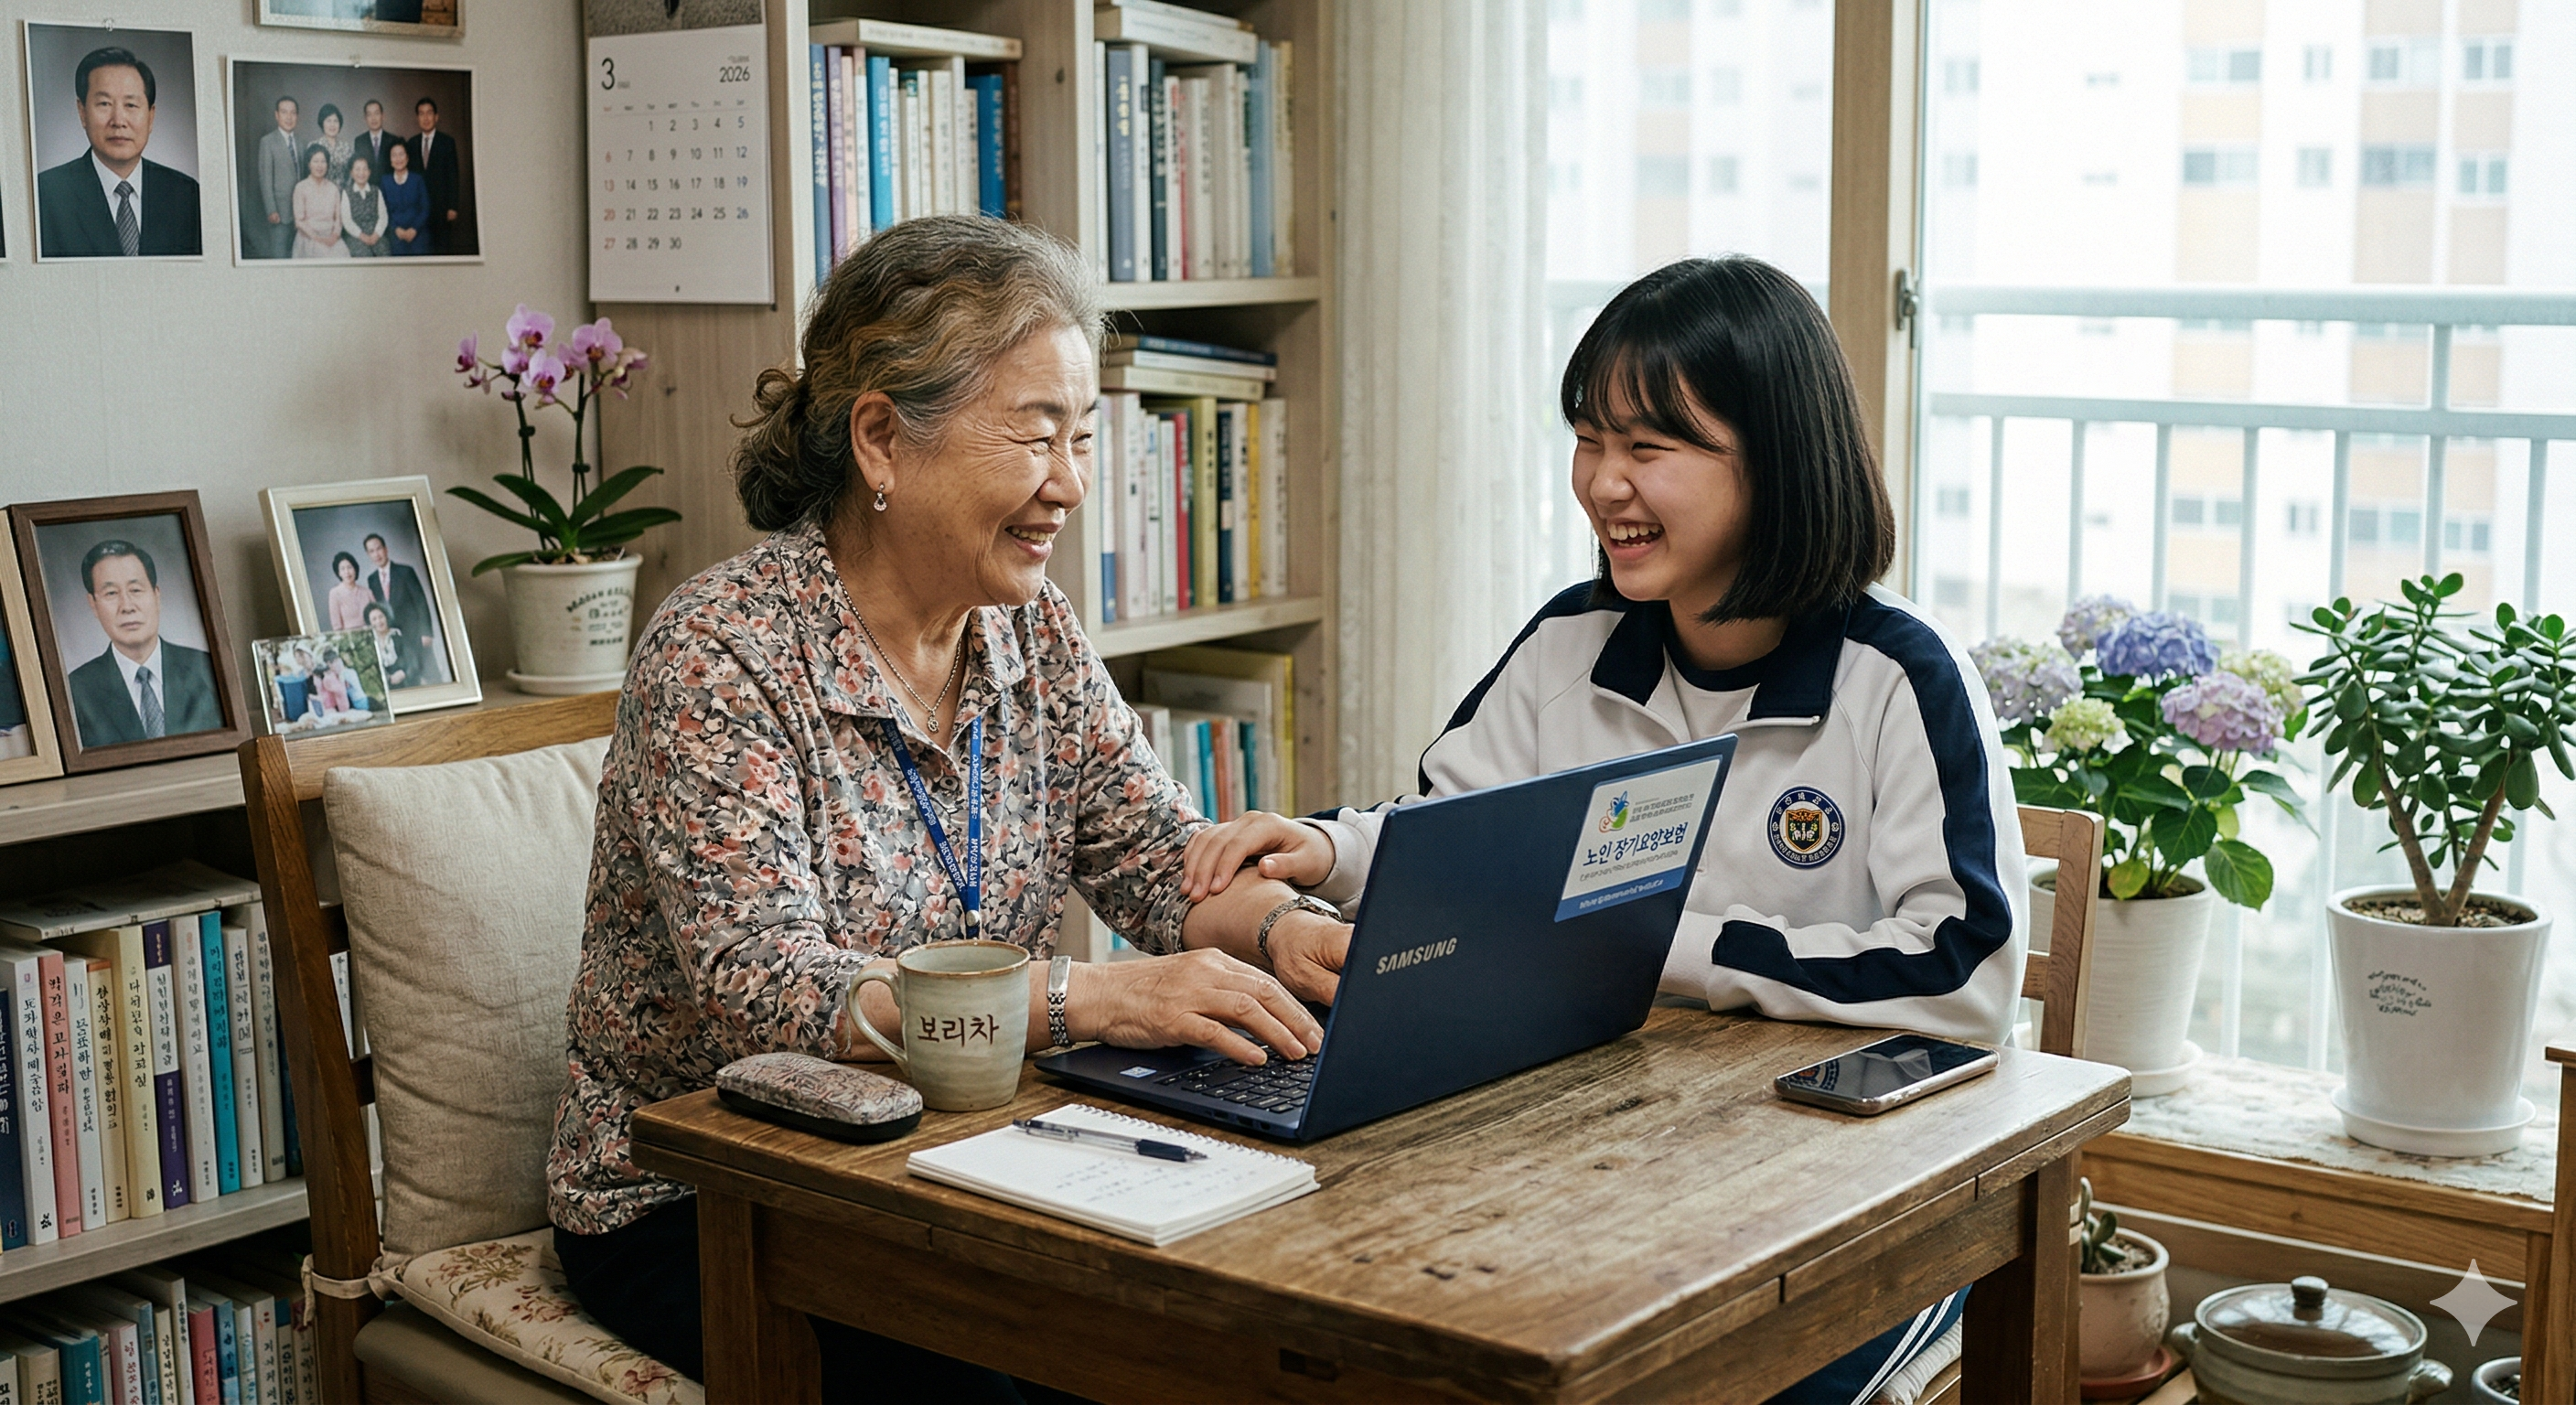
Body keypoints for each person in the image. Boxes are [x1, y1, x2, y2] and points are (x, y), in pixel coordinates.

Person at [1180, 256, 2027, 1405]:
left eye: (1649, 447)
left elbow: (1963, 975)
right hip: (1615, 1157)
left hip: (1856, 1191)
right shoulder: (1569, 642)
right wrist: (1331, 850)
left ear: (1775, 461)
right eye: (1588, 439)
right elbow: (1456, 841)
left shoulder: (1896, 676)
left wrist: (1647, 941)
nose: (1602, 484)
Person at [548, 216, 1355, 1402]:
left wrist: (1286, 933)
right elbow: (766, 993)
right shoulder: (720, 653)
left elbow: (1157, 855)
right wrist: (1093, 998)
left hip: (970, 1160)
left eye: (1081, 439)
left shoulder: (1031, 627)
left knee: (1245, 1335)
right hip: (712, 1198)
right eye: (1035, 435)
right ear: (881, 438)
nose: (1070, 485)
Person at [36, 47, 202, 258]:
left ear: (151, 116)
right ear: (82, 112)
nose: (118, 121)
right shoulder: (46, 194)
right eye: (104, 104)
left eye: (131, 105)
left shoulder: (186, 195)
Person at [63, 540, 222, 746]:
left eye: (136, 590)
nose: (127, 606)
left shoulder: (208, 669)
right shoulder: (76, 690)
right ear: (93, 604)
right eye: (111, 593)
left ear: (156, 595)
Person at [360, 533, 435, 670]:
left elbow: (421, 603)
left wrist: (426, 632)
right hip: (394, 639)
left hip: (415, 633)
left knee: (429, 671)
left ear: (386, 549)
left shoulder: (405, 571)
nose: (376, 554)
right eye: (371, 551)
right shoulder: (372, 579)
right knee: (406, 673)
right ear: (368, 555)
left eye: (379, 549)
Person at [406, 97, 462, 251]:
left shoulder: (447, 142)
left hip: (441, 208)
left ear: (436, 117)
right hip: (418, 209)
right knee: (422, 250)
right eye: (421, 114)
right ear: (417, 118)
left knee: (441, 249)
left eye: (429, 113)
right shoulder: (411, 143)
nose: (426, 118)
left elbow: (453, 175)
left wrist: (453, 207)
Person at [255, 96, 303, 259]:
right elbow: (265, 179)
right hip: (279, 212)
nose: (289, 117)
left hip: (300, 213)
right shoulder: (268, 142)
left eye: (293, 113)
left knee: (298, 256)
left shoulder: (301, 142)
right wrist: (271, 209)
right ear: (276, 115)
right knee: (280, 255)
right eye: (284, 112)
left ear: (297, 116)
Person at [290, 145, 349, 259]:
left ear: (327, 165)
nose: (319, 166)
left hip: (331, 238)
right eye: (315, 161)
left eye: (323, 161)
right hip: (308, 238)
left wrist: (334, 236)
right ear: (309, 164)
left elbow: (338, 219)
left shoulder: (333, 188)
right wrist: (317, 239)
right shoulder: (301, 187)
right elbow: (299, 221)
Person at [381, 139, 430, 256]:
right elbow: (383, 210)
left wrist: (414, 229)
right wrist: (395, 229)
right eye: (394, 155)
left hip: (417, 231)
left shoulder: (417, 179)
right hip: (395, 233)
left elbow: (426, 208)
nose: (398, 159)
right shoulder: (385, 181)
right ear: (390, 160)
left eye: (401, 154)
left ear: (407, 158)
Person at [363, 601, 422, 689]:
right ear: (370, 623)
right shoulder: (370, 644)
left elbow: (412, 661)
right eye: (374, 619)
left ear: (386, 617)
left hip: (406, 682)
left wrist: (403, 673)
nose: (379, 621)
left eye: (381, 617)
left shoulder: (397, 635)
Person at [341, 156, 389, 257]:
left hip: (376, 234)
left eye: (365, 169)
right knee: (364, 254)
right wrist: (362, 236)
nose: (361, 173)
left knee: (384, 251)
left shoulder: (376, 191)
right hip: (355, 236)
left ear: (369, 172)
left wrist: (376, 234)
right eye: (357, 169)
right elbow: (347, 221)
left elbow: (383, 217)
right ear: (351, 172)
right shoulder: (347, 193)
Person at [349, 100, 399, 190]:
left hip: (390, 188)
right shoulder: (360, 141)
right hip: (367, 189)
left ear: (383, 116)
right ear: (365, 118)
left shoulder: (393, 140)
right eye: (369, 115)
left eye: (376, 113)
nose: (373, 118)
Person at [325, 552, 372, 629]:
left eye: (349, 567)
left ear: (355, 569)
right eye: (342, 569)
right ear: (339, 573)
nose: (347, 572)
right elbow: (336, 626)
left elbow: (376, 617)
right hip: (348, 635)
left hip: (369, 633)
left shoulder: (367, 592)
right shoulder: (335, 593)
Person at [313, 104, 353, 187]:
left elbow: (351, 174)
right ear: (322, 123)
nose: (332, 125)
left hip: (343, 192)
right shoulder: (314, 146)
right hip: (320, 191)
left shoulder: (346, 147)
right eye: (328, 121)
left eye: (335, 121)